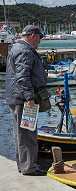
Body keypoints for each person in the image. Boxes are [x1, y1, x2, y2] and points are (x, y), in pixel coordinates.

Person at [5, 25, 47, 176]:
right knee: (28, 133)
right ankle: (29, 167)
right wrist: (29, 97)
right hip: (23, 99)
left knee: (21, 133)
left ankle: (23, 165)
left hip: (17, 97)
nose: (40, 41)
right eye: (40, 37)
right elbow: (23, 77)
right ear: (33, 36)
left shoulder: (17, 48)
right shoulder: (24, 51)